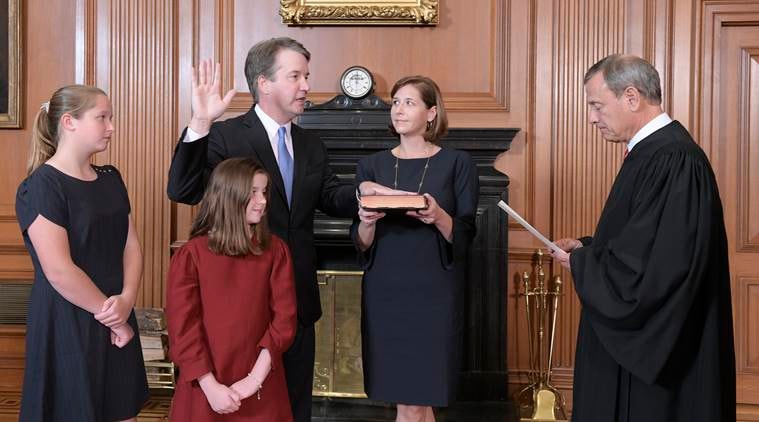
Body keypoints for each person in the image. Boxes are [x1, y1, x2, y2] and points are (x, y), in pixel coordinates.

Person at [166, 37, 397, 421]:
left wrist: (363, 194)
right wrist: (201, 121)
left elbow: (328, 195)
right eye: (295, 76)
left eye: (306, 75)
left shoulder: (310, 143)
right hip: (242, 310)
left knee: (293, 409)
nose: (306, 85)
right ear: (264, 83)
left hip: (297, 302)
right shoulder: (227, 135)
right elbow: (183, 190)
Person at [550, 54, 736, 421]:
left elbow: (659, 267)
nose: (592, 117)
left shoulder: (675, 159)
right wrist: (589, 248)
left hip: (667, 355)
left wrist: (584, 264)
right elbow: (642, 239)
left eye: (596, 105)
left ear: (632, 97)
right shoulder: (655, 154)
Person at [15, 85, 149, 421]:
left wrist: (127, 301)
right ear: (69, 122)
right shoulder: (42, 185)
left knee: (122, 410)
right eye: (102, 117)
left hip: (116, 310)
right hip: (67, 320)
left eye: (111, 117)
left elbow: (131, 245)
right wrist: (113, 316)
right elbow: (59, 271)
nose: (111, 126)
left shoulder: (111, 178)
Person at [352, 76, 479, 422]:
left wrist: (438, 215)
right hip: (385, 292)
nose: (398, 109)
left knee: (417, 398)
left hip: (433, 292)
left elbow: (466, 233)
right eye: (395, 102)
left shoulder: (457, 163)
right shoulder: (371, 166)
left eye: (409, 102)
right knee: (412, 401)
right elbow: (361, 243)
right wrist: (366, 220)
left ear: (432, 112)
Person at [166, 157, 297, 420]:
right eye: (253, 193)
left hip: (262, 384)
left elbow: (284, 321)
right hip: (203, 385)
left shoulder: (276, 251)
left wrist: (253, 380)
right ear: (228, 196)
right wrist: (210, 387)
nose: (262, 201)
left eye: (264, 192)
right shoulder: (191, 255)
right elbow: (183, 328)